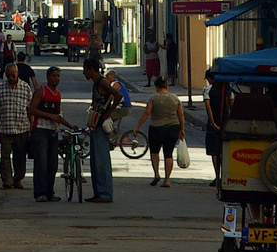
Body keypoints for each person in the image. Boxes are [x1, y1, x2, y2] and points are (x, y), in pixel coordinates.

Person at [81, 56, 124, 203]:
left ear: (90, 69)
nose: (83, 73)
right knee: (95, 161)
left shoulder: (102, 82)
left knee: (101, 161)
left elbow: (118, 95)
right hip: (95, 124)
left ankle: (105, 193)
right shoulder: (96, 83)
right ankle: (99, 192)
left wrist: (108, 113)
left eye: (84, 69)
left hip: (100, 126)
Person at [27, 66, 73, 202]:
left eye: (58, 76)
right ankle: (40, 192)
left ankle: (49, 192)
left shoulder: (58, 94)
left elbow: (58, 116)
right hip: (40, 130)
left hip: (53, 132)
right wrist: (49, 116)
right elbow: (32, 110)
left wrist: (70, 126)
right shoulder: (41, 91)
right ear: (47, 77)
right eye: (53, 76)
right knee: (41, 162)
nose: (56, 78)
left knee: (52, 163)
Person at [131, 75, 185, 187]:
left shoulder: (153, 98)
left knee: (154, 152)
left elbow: (147, 113)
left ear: (156, 86)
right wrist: (182, 129)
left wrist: (137, 126)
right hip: (173, 127)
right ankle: (167, 180)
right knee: (168, 153)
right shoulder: (175, 98)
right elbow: (181, 115)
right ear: (166, 86)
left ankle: (156, 174)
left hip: (156, 127)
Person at [0, 64, 33, 190]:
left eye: (13, 75)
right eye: (8, 76)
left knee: (20, 156)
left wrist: (32, 124)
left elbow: (30, 108)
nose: (11, 78)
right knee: (5, 156)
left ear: (17, 74)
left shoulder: (25, 88)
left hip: (21, 129)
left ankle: (18, 179)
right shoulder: (0, 88)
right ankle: (7, 180)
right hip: (5, 129)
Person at [203, 68, 232, 174]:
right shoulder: (227, 89)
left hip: (214, 123)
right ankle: (224, 174)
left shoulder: (207, 90)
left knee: (214, 151)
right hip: (226, 122)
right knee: (225, 150)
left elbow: (208, 107)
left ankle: (217, 174)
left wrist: (213, 123)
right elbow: (231, 105)